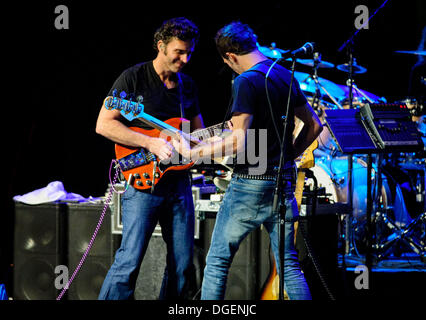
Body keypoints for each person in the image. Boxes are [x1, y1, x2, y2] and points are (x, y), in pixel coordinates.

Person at [172, 21, 323, 300]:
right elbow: (314, 125)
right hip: (284, 184)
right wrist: (290, 153)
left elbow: (238, 140)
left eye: (229, 64)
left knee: (217, 262)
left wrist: (193, 154)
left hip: (250, 185)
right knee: (288, 264)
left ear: (230, 57)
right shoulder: (284, 75)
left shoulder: (245, 81)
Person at [95, 17, 204, 300]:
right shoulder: (133, 78)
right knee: (129, 261)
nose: (185, 58)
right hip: (143, 183)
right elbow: (104, 124)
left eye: (189, 52)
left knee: (182, 265)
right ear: (161, 46)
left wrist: (225, 139)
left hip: (179, 183)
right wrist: (150, 142)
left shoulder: (187, 85)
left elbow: (199, 133)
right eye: (179, 51)